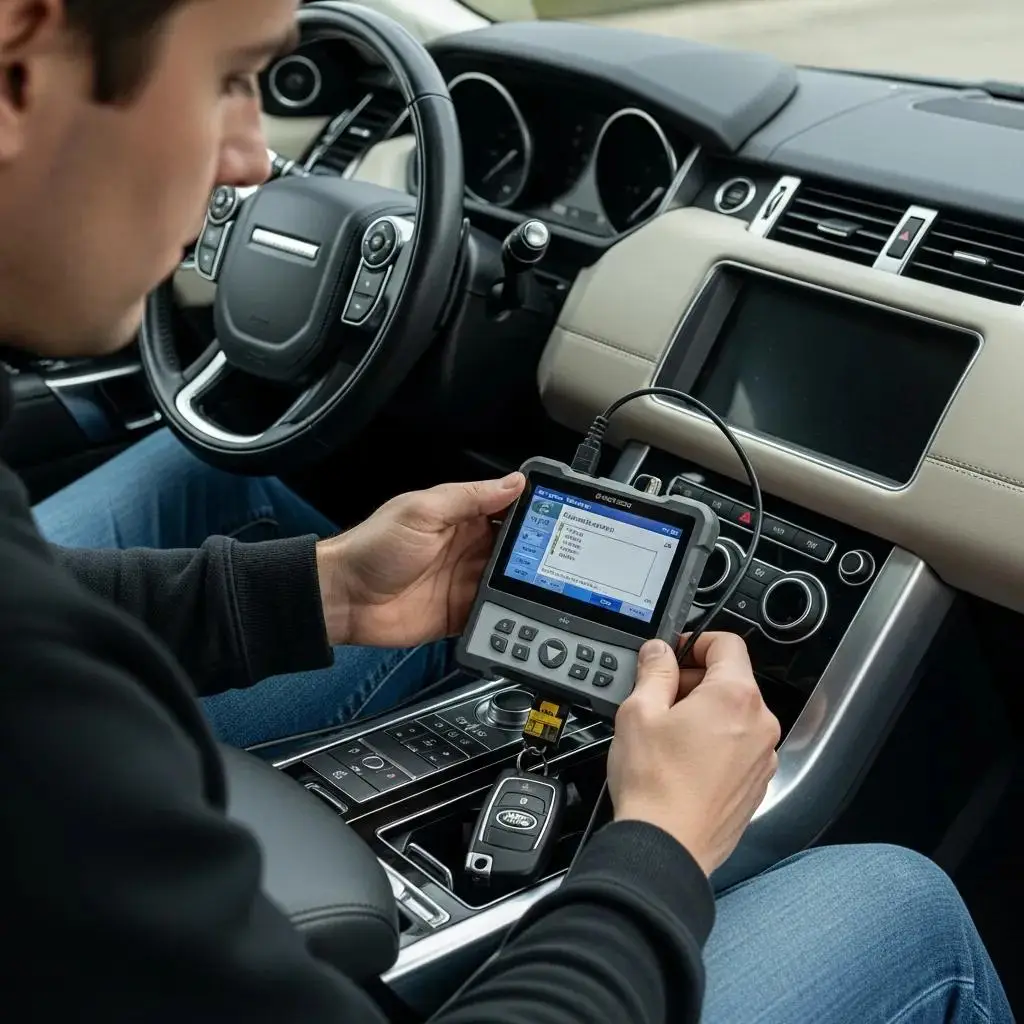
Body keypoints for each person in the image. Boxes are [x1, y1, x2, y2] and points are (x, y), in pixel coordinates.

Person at [0, 1, 1011, 1022]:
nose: (256, 162)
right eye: (228, 79)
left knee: (211, 486)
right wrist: (656, 848)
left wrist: (324, 589)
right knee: (900, 900)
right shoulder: (55, 744)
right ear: (14, 66)